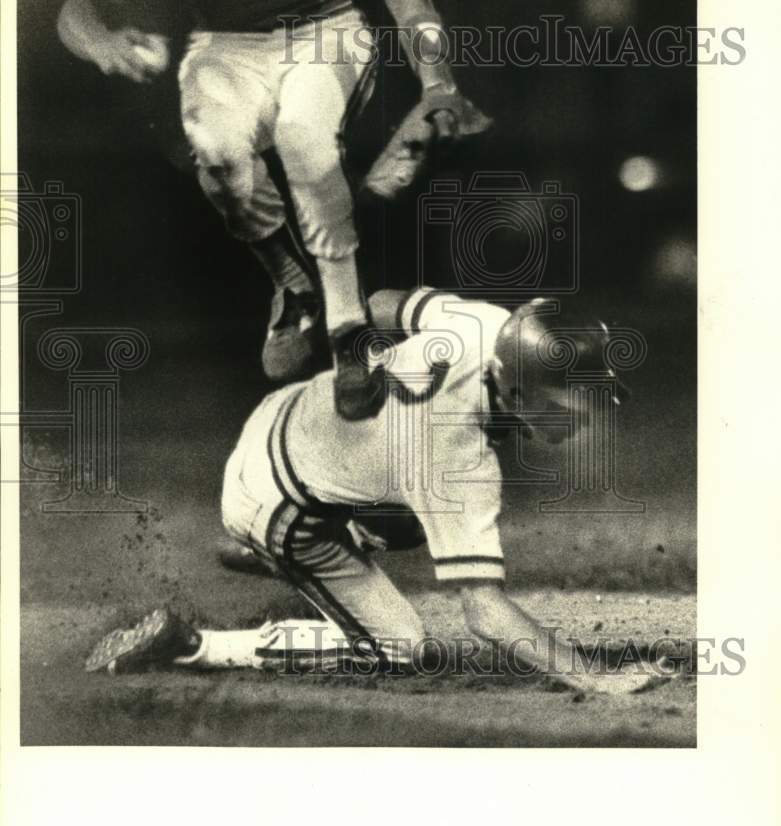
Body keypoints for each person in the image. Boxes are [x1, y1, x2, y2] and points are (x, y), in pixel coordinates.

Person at [86, 287, 668, 694]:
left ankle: (281, 548)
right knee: (401, 648)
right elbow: (485, 613)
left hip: (285, 418)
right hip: (277, 502)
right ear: (515, 390)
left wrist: (350, 353)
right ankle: (192, 644)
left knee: (414, 520)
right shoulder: (454, 458)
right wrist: (596, 676)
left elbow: (386, 301)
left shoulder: (491, 326)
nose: (581, 417)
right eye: (567, 404)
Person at [57, 0, 490, 418]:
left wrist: (437, 81)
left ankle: (349, 330)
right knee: (218, 153)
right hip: (224, 47)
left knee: (303, 137)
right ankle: (294, 284)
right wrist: (102, 44)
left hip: (327, 31)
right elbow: (74, 10)